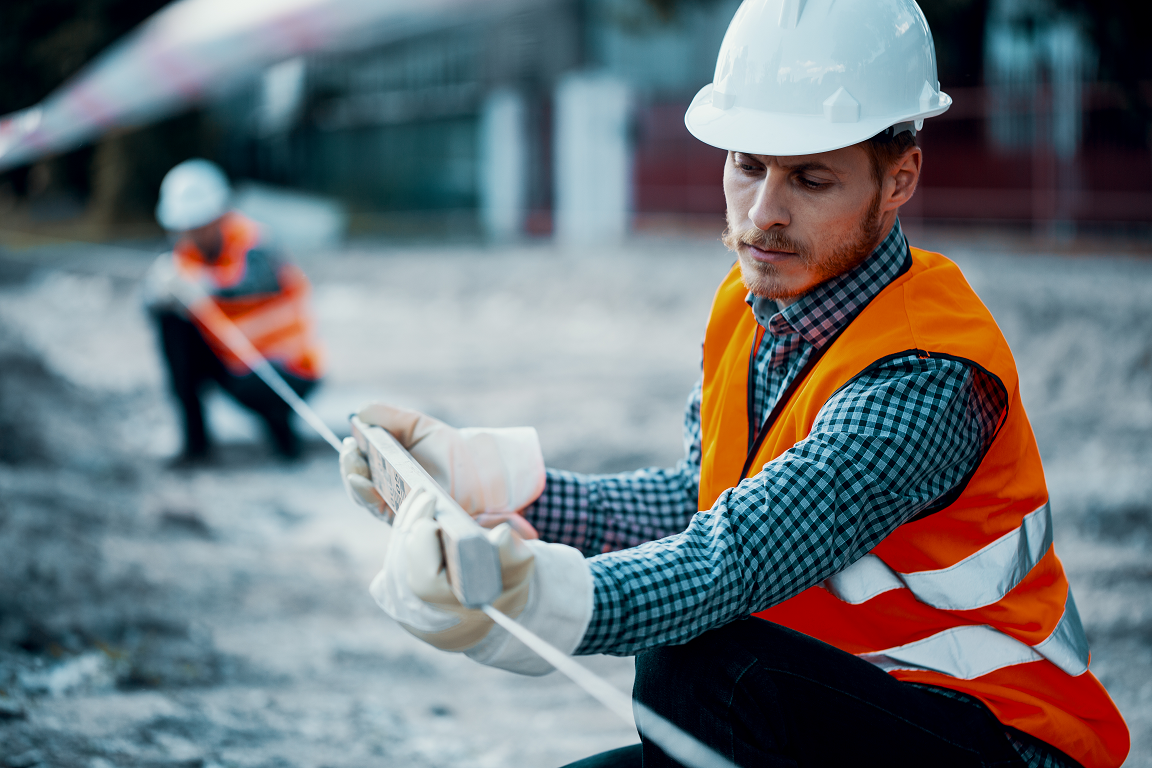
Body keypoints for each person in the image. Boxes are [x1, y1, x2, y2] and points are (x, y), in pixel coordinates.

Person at [339, 1, 1129, 766]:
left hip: (995, 736)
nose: (764, 213)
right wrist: (482, 483)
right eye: (748, 166)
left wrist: (544, 596)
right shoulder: (753, 308)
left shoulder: (928, 372)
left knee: (700, 665)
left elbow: (739, 556)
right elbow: (700, 498)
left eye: (810, 180)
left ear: (899, 179)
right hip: (839, 704)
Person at [145, 159, 324, 462]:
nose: (192, 234)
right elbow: (154, 309)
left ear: (219, 215)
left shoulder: (255, 241)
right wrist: (155, 294)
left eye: (199, 225)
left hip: (287, 365)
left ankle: (285, 440)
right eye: (185, 227)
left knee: (264, 390)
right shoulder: (183, 256)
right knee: (171, 322)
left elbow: (255, 279)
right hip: (235, 361)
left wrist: (207, 285)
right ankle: (196, 445)